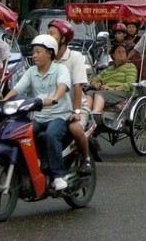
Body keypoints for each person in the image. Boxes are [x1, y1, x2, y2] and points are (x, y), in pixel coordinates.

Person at [1, 34, 72, 192]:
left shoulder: (60, 69)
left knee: (51, 134)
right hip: (38, 117)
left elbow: (62, 86)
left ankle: (58, 175)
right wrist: (1, 101)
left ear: (50, 53)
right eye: (33, 52)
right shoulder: (31, 72)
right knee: (20, 133)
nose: (35, 55)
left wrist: (54, 97)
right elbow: (17, 89)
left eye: (38, 51)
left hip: (58, 115)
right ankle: (34, 163)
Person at [49, 19, 92, 176]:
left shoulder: (75, 57)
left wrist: (76, 111)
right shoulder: (46, 58)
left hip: (75, 107)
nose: (48, 37)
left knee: (74, 128)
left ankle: (85, 158)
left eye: (52, 34)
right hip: (52, 109)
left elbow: (78, 87)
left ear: (63, 38)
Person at [87, 43, 138, 112]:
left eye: (123, 52)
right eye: (119, 51)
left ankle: (95, 115)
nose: (121, 53)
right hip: (107, 91)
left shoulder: (130, 66)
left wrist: (113, 88)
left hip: (123, 92)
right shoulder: (109, 69)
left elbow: (130, 83)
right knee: (90, 93)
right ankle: (85, 115)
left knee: (100, 93)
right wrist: (95, 84)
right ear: (113, 55)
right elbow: (94, 79)